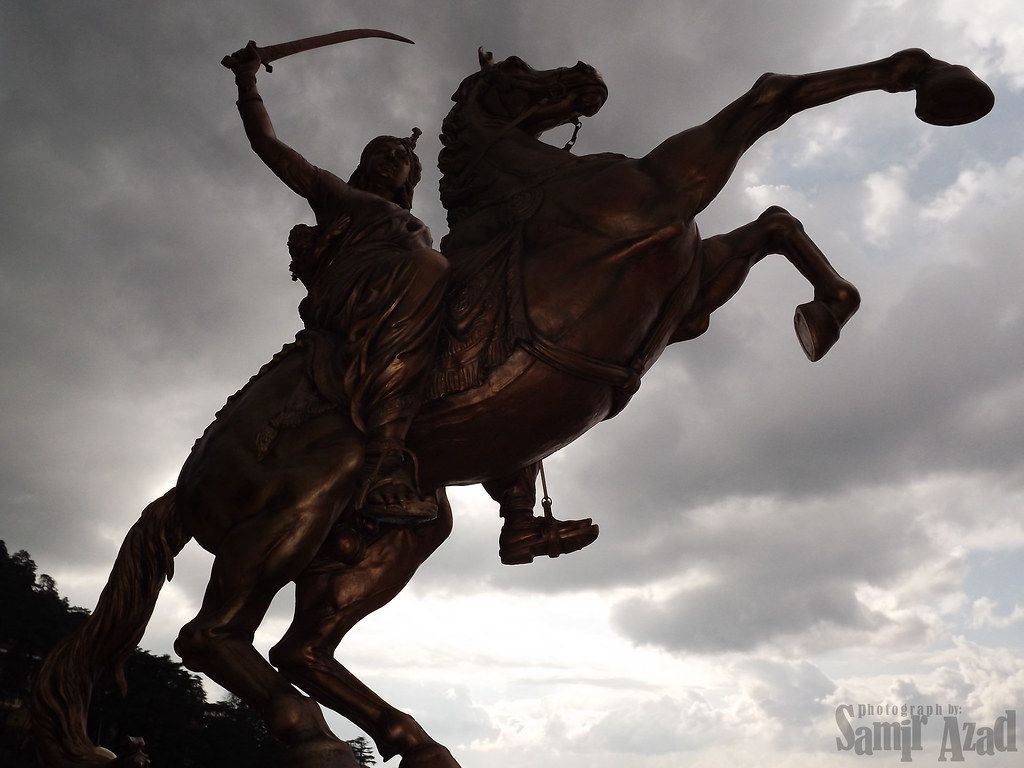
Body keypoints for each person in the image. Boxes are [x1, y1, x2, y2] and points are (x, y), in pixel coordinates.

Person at [225, 42, 447, 524]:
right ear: (363, 164)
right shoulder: (338, 195)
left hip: (407, 294)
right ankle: (385, 457)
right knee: (434, 268)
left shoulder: (415, 227)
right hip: (356, 295)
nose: (391, 159)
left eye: (400, 158)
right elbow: (269, 145)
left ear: (411, 177)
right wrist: (248, 85)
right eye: (380, 152)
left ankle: (519, 508)